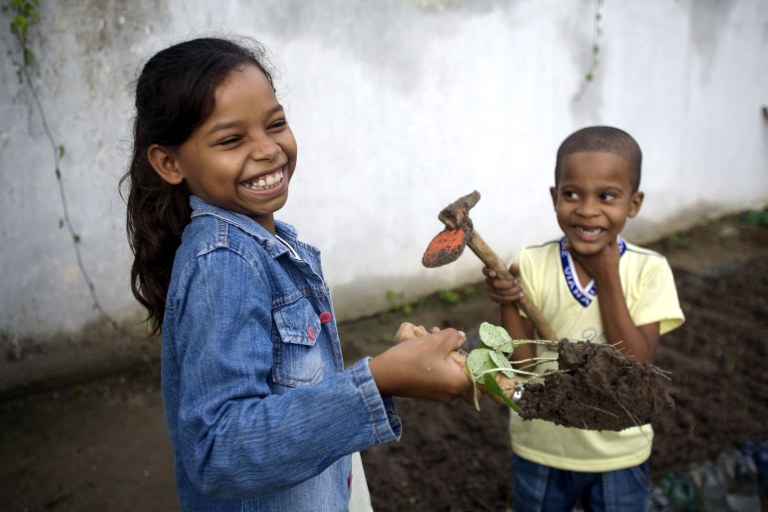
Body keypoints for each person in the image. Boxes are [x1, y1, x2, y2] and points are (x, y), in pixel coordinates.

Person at [120, 36, 471, 512]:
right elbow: (218, 450)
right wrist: (380, 379)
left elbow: (291, 391)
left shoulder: (268, 244)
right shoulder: (224, 262)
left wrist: (392, 368)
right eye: (231, 140)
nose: (268, 149)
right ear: (169, 162)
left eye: (275, 124)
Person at [483, 125, 685, 512]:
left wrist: (608, 277)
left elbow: (636, 365)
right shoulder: (531, 262)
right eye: (572, 194)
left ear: (634, 203)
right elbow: (521, 366)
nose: (587, 209)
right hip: (541, 445)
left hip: (619, 452)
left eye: (606, 196)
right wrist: (507, 302)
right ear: (554, 197)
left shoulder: (649, 270)